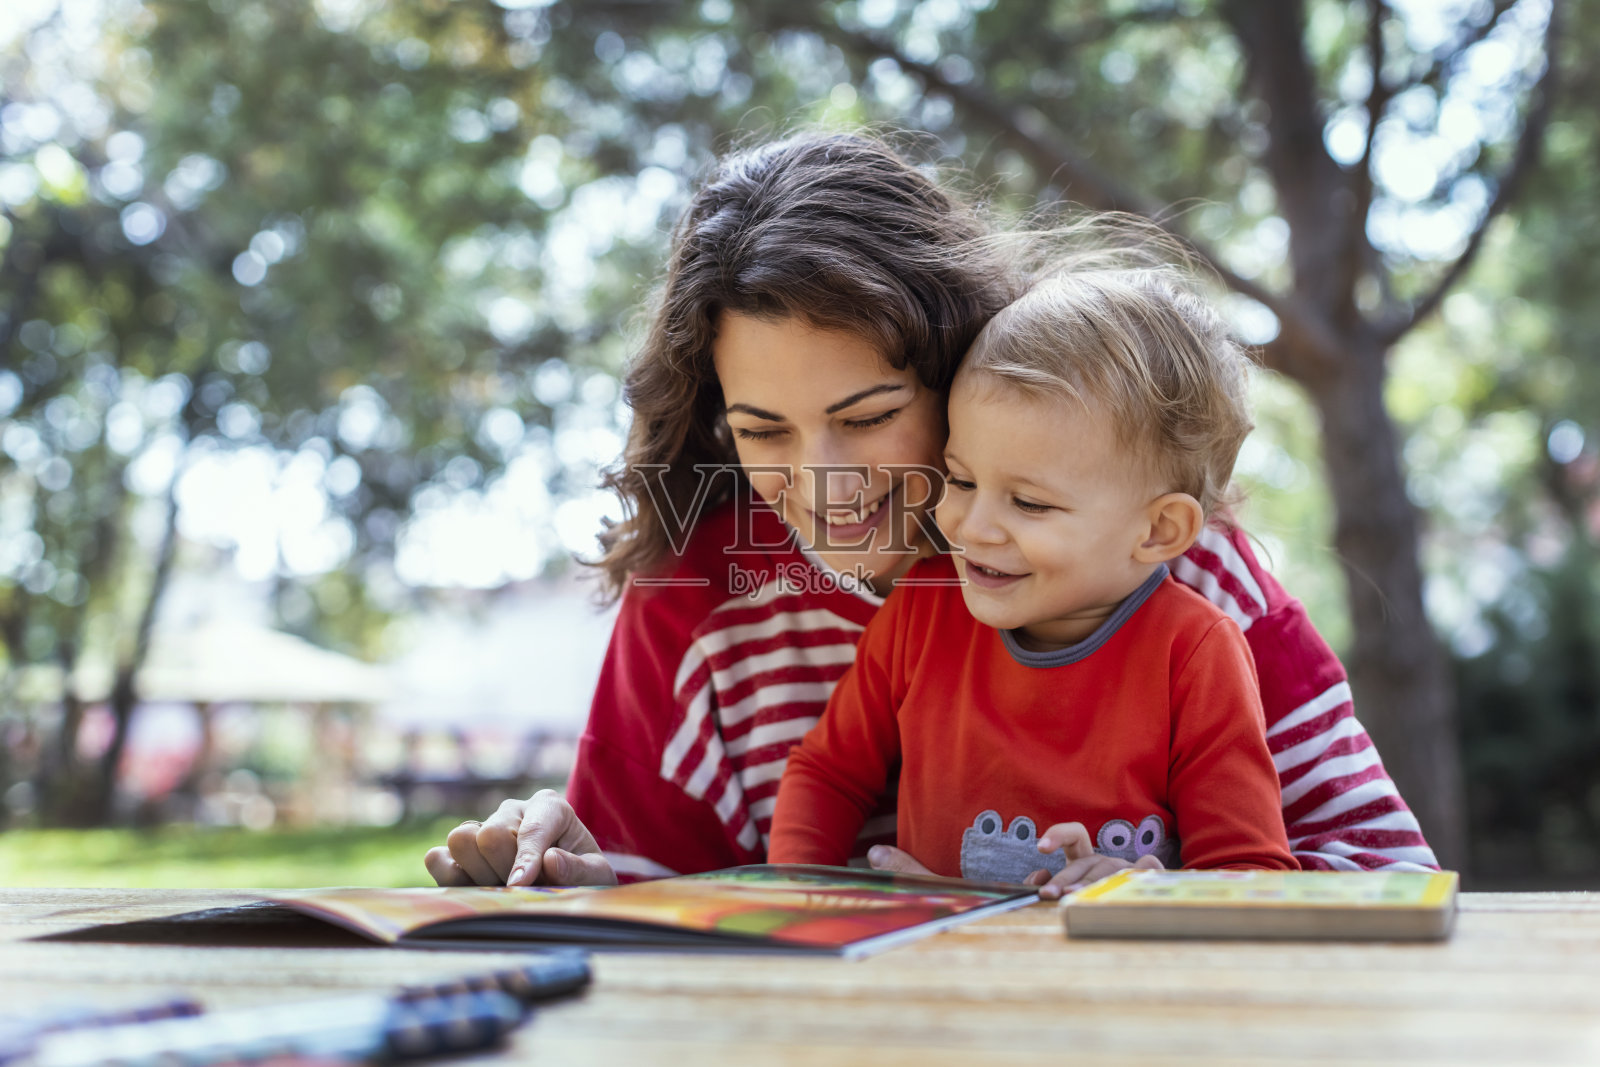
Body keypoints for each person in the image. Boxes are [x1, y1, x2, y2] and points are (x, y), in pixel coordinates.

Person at [422, 131, 1438, 890]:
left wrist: (1155, 892)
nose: (825, 482)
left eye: (867, 416)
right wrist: (581, 876)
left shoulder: (1166, 566)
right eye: (763, 431)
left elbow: (1388, 873)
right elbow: (680, 915)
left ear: (960, 371)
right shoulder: (699, 601)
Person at [768, 265, 1297, 896]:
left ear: (1158, 530)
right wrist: (797, 898)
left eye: (1029, 503)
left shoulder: (1194, 654)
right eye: (961, 480)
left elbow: (1250, 873)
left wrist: (1145, 891)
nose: (971, 526)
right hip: (930, 952)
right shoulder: (920, 613)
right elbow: (826, 774)